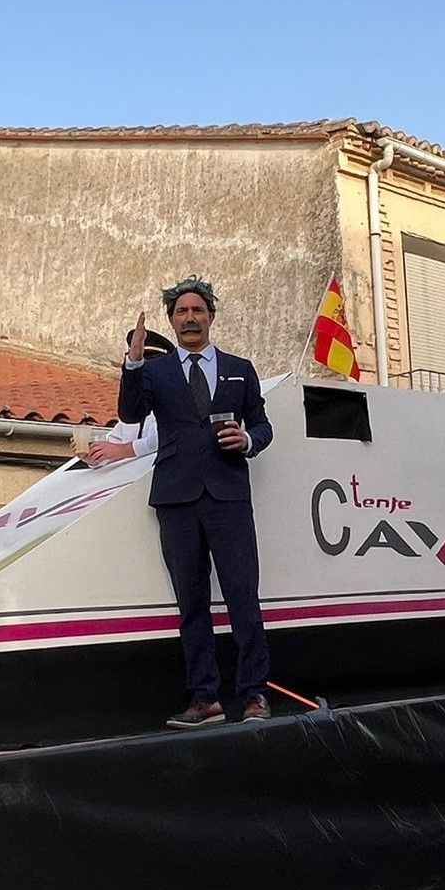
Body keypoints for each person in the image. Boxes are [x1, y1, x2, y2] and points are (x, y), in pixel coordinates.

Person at [118, 276, 274, 728]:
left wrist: (247, 439)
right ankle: (205, 698)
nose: (189, 318)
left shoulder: (239, 368)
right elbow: (130, 414)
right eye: (181, 312)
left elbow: (263, 425)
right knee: (192, 603)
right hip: (177, 500)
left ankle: (254, 696)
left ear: (210, 317)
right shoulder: (155, 371)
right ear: (171, 320)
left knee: (244, 598)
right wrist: (132, 361)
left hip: (228, 498)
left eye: (197, 311)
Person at [87, 328, 171, 466]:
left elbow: (161, 439)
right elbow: (112, 445)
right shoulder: (132, 410)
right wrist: (93, 457)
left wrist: (122, 450)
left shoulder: (174, 402)